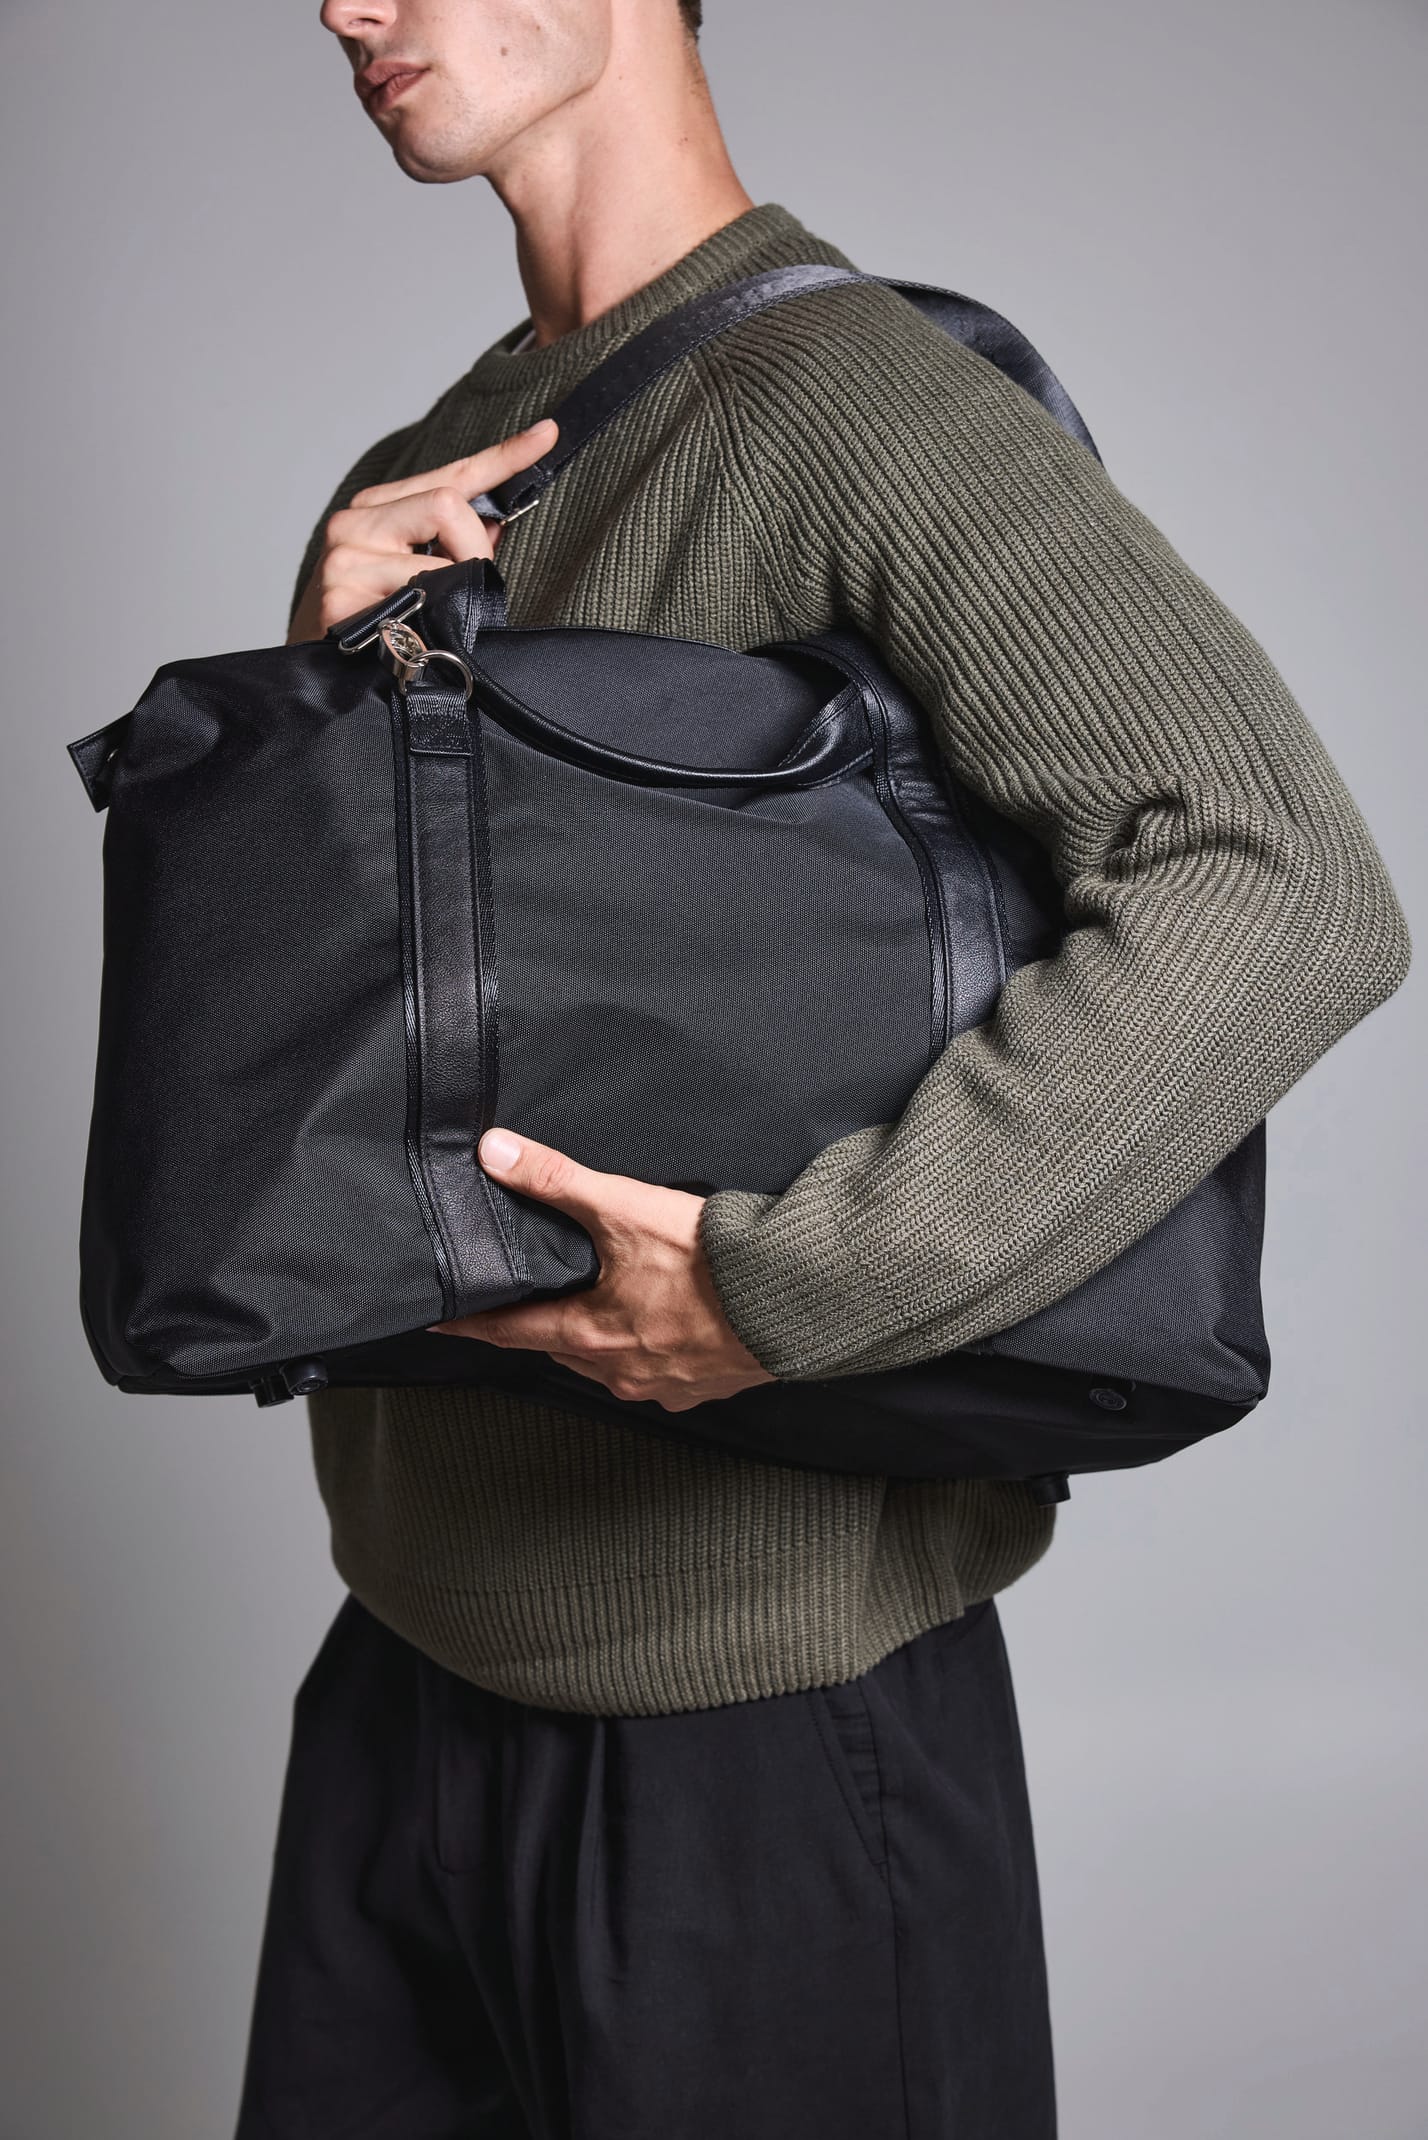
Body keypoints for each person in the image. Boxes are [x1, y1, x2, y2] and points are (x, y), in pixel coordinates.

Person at [235, 1, 1411, 2134]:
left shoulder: (857, 396)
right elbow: (336, 1080)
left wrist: (789, 1285)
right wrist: (313, 701)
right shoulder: (426, 467)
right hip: (402, 1676)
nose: (341, 5)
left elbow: (1280, 880)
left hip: (759, 1741)